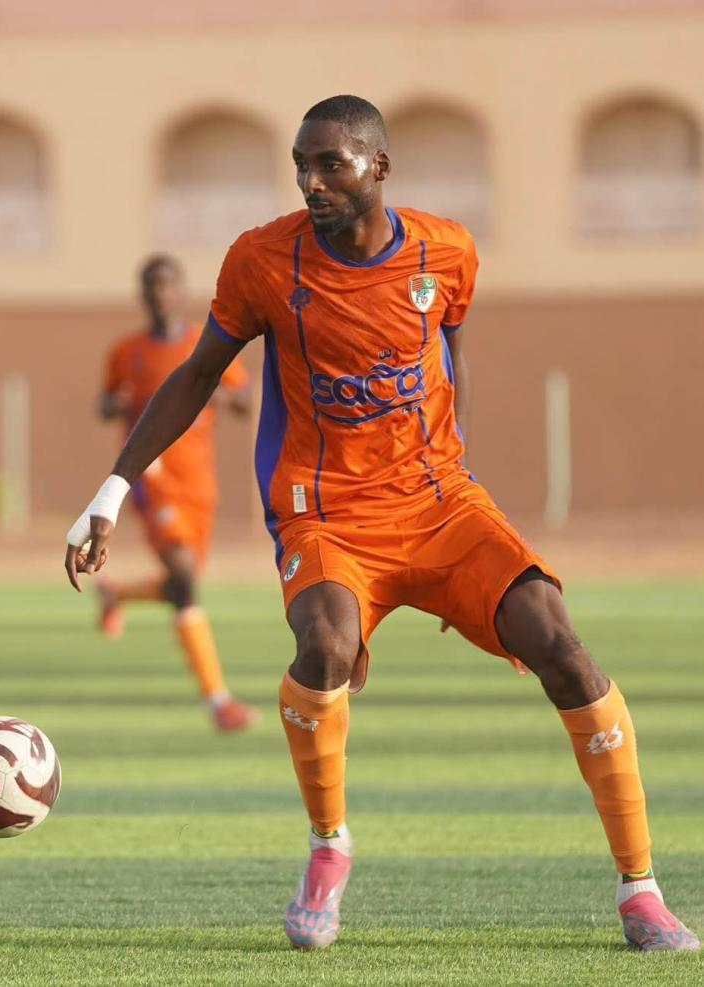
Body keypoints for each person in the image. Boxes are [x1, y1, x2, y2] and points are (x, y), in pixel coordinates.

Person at [64, 95, 698, 952]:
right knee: (323, 647)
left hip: (439, 501)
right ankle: (329, 846)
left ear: (380, 167)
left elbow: (452, 348)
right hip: (325, 510)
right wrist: (111, 489)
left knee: (561, 643)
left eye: (331, 163)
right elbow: (197, 375)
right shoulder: (262, 260)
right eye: (301, 165)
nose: (311, 181)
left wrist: (452, 457)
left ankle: (641, 889)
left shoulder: (448, 250)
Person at [97, 254, 257, 732]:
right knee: (185, 577)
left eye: (168, 285)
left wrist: (218, 393)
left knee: (181, 584)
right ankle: (218, 701)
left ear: (182, 292)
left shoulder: (205, 345)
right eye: (152, 286)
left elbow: (245, 401)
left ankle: (118, 593)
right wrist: (114, 404)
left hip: (199, 483)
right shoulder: (127, 352)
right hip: (155, 479)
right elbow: (105, 404)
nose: (160, 294)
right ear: (143, 295)